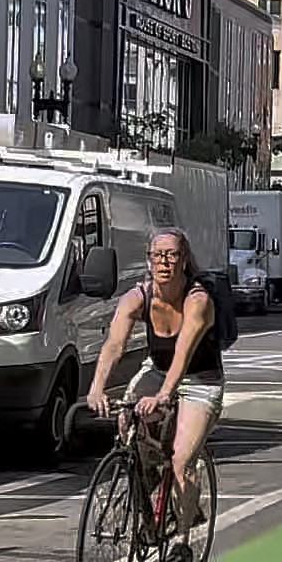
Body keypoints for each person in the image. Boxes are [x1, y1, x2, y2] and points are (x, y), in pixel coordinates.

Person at [87, 225, 223, 526]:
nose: (164, 262)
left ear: (184, 259)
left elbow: (182, 356)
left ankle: (182, 542)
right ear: (148, 261)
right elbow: (114, 345)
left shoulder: (197, 300)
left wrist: (163, 396)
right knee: (127, 422)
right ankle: (149, 495)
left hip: (200, 381)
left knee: (181, 462)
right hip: (158, 370)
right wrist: (97, 388)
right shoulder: (137, 298)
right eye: (157, 255)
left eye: (172, 255)